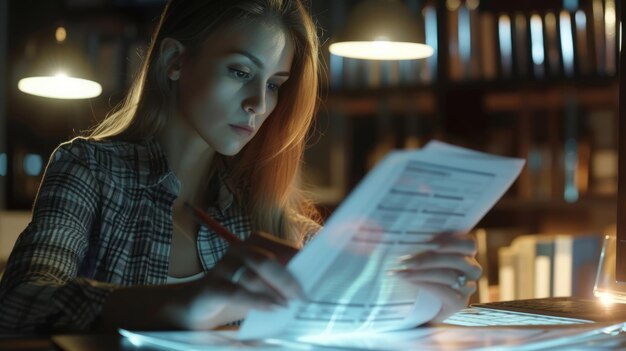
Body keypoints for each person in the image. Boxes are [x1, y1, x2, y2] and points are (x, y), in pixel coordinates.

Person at [0, 0, 481, 334]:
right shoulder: (90, 169)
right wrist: (186, 304)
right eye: (240, 71)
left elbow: (344, 309)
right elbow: (19, 305)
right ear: (174, 61)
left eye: (275, 83)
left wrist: (421, 300)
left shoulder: (264, 211)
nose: (258, 102)